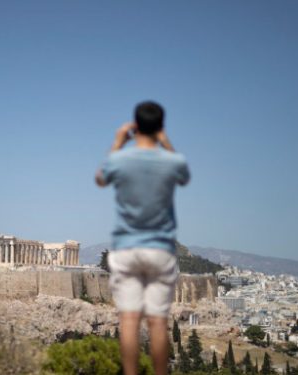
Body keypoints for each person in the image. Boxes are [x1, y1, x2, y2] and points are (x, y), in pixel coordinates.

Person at [95, 101, 190, 375]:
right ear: (160, 127)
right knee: (158, 322)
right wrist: (166, 142)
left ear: (135, 127)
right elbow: (184, 177)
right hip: (160, 248)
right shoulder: (173, 161)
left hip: (126, 247)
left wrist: (117, 142)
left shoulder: (120, 160)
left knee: (128, 320)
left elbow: (101, 179)